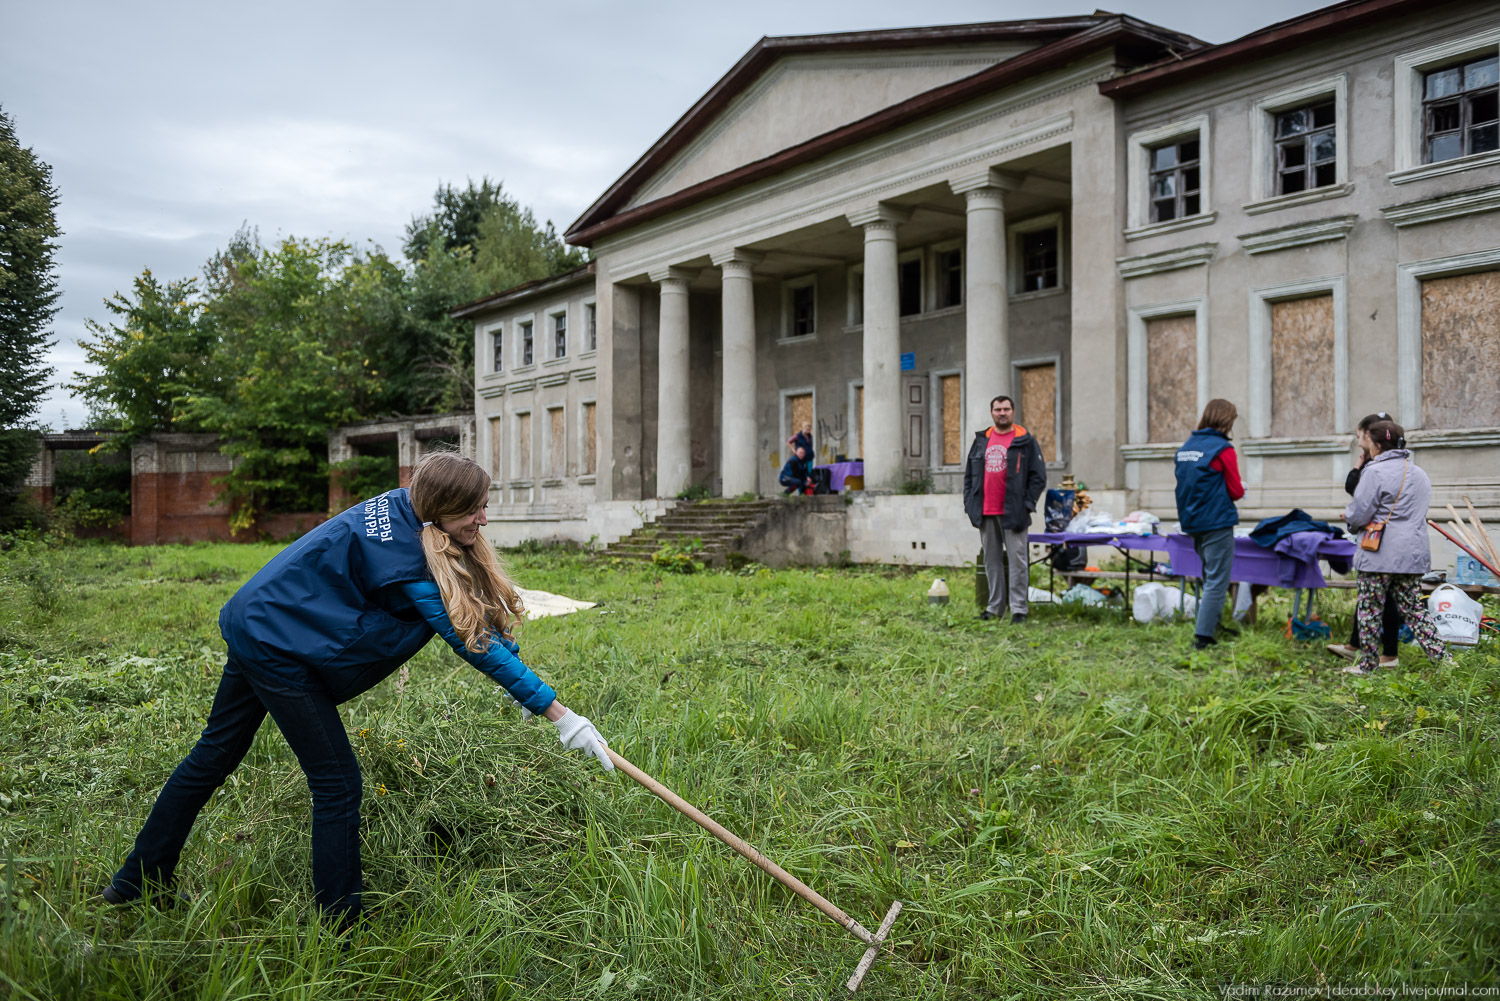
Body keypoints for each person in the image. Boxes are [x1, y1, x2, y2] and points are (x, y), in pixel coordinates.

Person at [100, 453, 612, 929]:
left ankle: (135, 883)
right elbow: (469, 639)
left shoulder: (411, 511)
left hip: (260, 618)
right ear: (442, 508)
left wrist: (521, 687)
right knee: (338, 783)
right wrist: (558, 714)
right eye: (475, 510)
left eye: (484, 507)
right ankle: (340, 926)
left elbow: (479, 623)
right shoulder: (407, 562)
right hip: (278, 646)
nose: (484, 520)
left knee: (212, 757)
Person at [1341, 419, 1448, 675]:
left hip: (1379, 553)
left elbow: (1360, 513)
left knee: (1370, 609)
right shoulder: (1420, 473)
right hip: (1412, 553)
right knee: (1413, 609)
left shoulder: (1374, 472)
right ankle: (1443, 659)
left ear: (1377, 445)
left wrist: (1350, 519)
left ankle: (1367, 666)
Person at [1328, 413, 1404, 666]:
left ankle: (1383, 655)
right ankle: (1361, 647)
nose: (1359, 441)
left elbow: (1362, 502)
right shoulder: (1393, 465)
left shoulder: (1379, 467)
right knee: (1373, 597)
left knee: (1383, 599)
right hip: (1386, 538)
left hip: (1381, 539)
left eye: (1361, 436)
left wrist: (1352, 517)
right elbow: (1354, 487)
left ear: (1374, 439)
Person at [963, 395, 1047, 623]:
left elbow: (1038, 477)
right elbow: (969, 475)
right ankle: (995, 608)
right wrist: (970, 504)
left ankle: (1019, 609)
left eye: (1006, 409)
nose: (1002, 413)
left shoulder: (1025, 440)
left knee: (1018, 561)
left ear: (1013, 412)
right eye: (998, 409)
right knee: (991, 561)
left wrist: (1027, 504)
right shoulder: (982, 440)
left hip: (1014, 512)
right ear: (992, 413)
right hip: (985, 511)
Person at [1174, 399, 1245, 650]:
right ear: (1227, 421)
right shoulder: (1222, 449)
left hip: (1192, 522)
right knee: (1217, 580)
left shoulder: (1186, 447)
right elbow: (1235, 490)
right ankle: (1203, 637)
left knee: (1208, 575)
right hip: (1216, 521)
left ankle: (1213, 625)